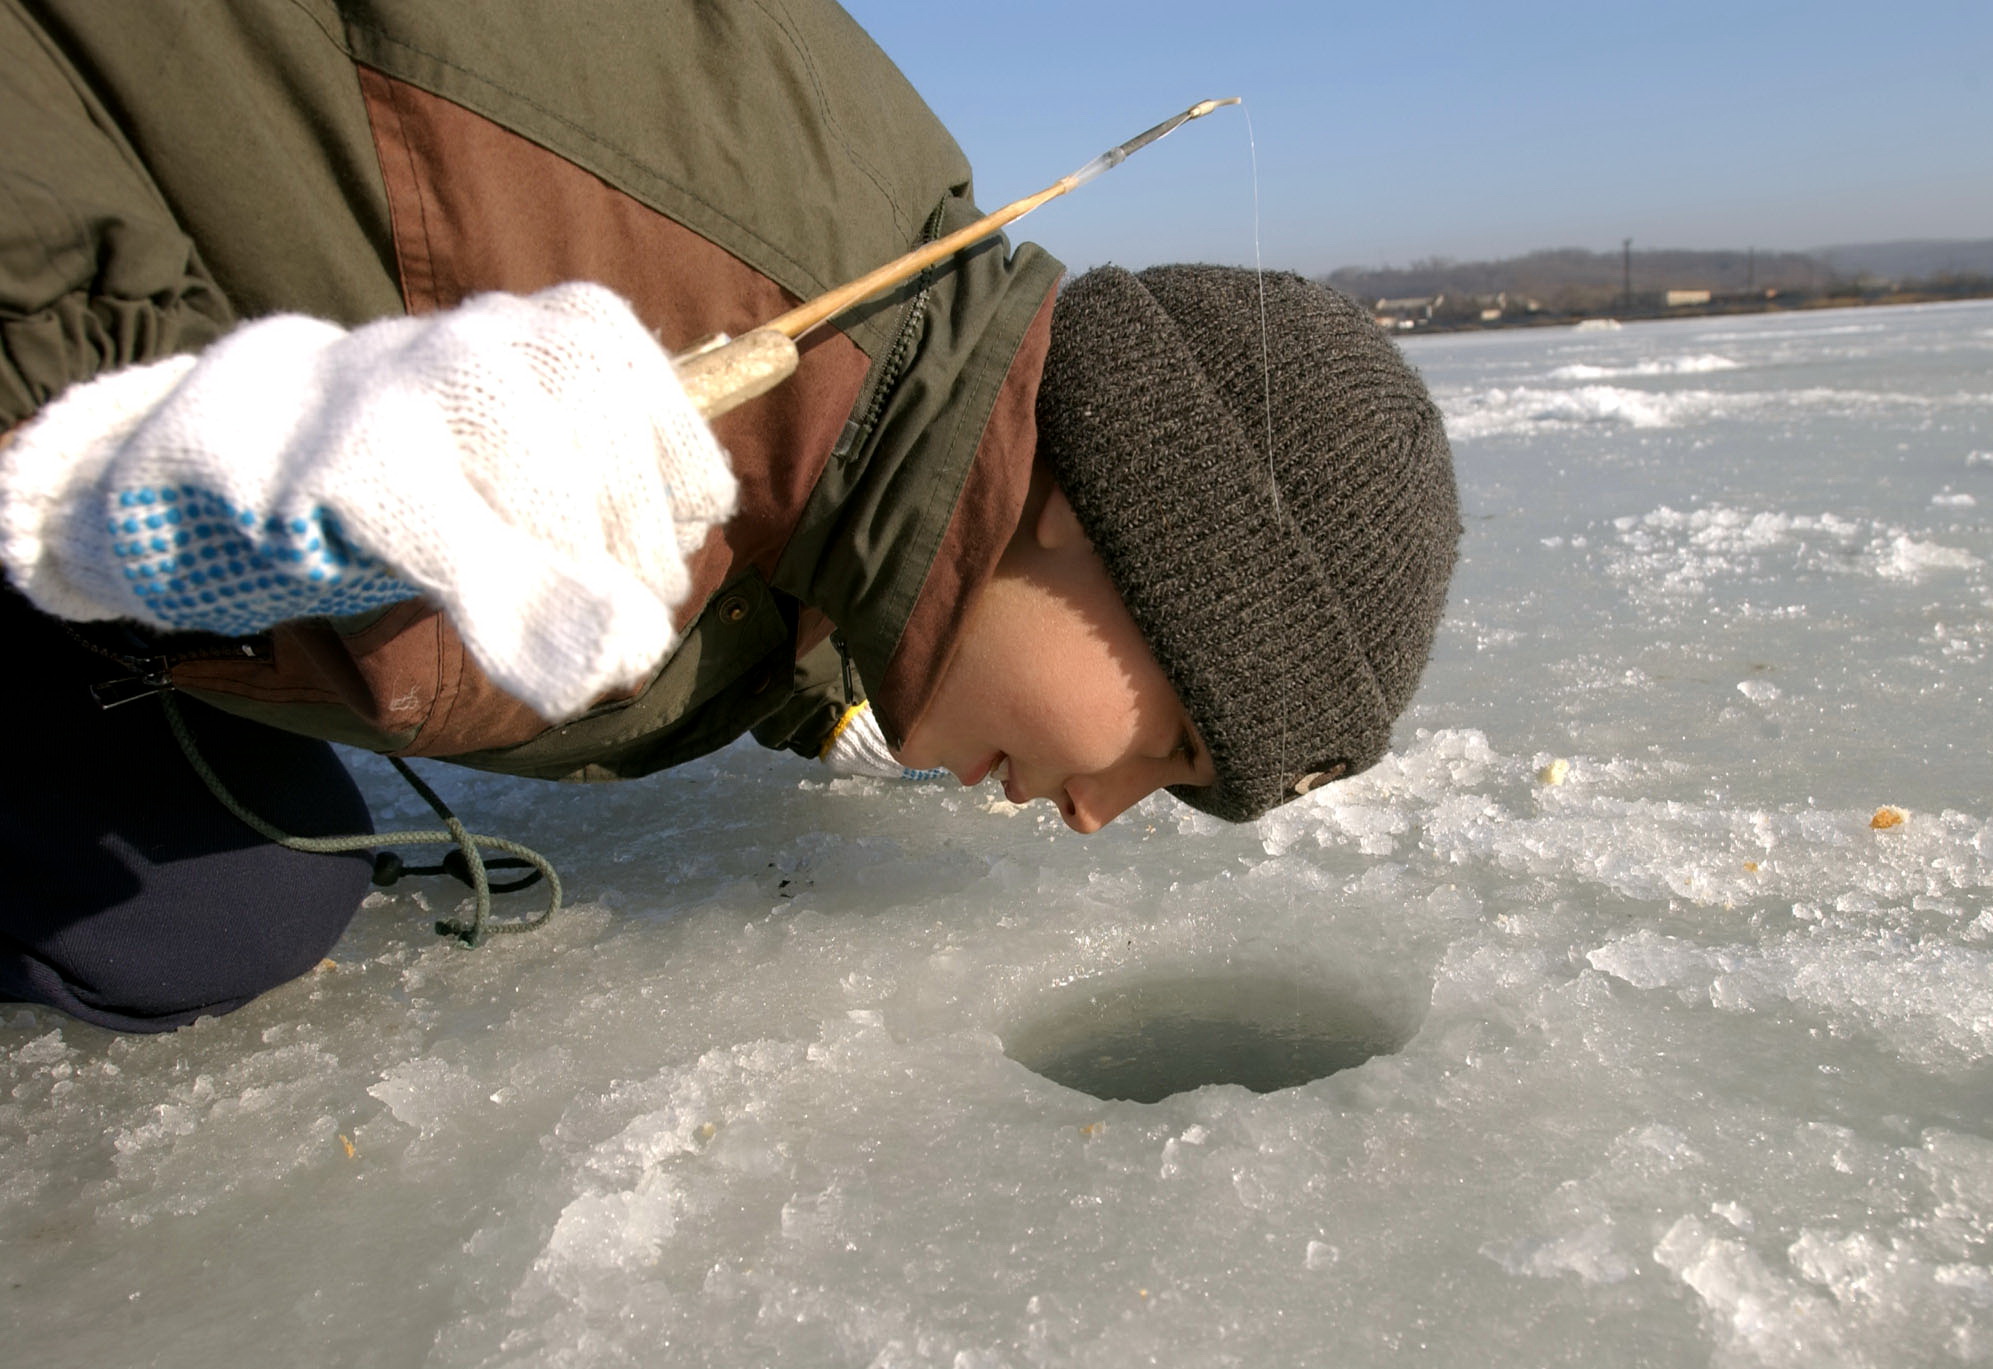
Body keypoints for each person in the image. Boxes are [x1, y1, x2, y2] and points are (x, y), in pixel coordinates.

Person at [0, 0, 1461, 1033]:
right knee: (192, 928)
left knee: (226, 911)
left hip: (126, 607)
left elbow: (807, 497)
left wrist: (827, 690)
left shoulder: (900, 388)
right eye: (1171, 747)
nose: (1096, 811)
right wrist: (117, 441)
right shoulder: (615, 203)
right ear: (1118, 527)